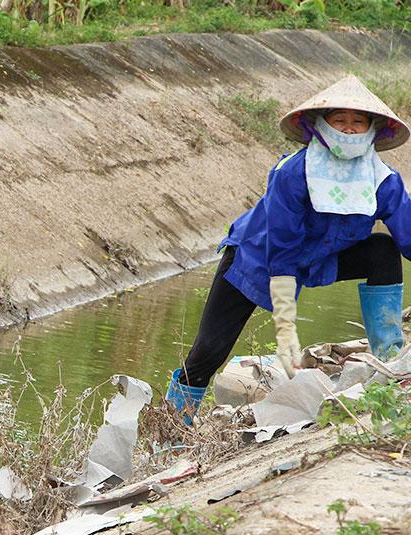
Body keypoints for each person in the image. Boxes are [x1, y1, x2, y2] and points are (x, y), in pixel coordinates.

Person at [166, 75, 410, 423]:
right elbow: (281, 251)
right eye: (340, 120)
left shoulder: (383, 181)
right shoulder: (293, 174)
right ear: (320, 126)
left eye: (359, 122)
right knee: (208, 352)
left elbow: (410, 235)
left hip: (320, 259)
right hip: (257, 260)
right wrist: (285, 326)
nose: (350, 130)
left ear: (373, 129)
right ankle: (174, 428)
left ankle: (389, 363)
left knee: (383, 250)